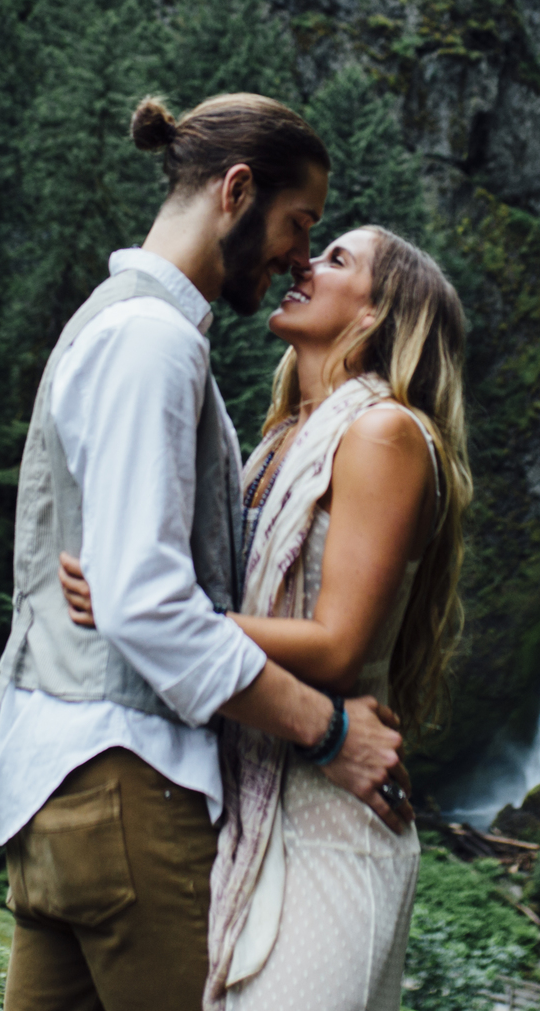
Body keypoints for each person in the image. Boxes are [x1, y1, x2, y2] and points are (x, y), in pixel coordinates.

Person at [0, 93, 413, 1011]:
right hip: (127, 786)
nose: (300, 255)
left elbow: (126, 587)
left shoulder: (111, 321)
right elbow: (146, 602)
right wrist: (328, 728)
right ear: (237, 189)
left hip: (45, 788)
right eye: (299, 225)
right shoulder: (153, 343)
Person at [60, 223, 473, 1011]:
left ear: (380, 314)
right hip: (254, 801)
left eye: (337, 259)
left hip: (329, 823)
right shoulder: (285, 439)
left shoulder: (384, 432)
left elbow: (338, 645)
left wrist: (147, 607)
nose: (303, 264)